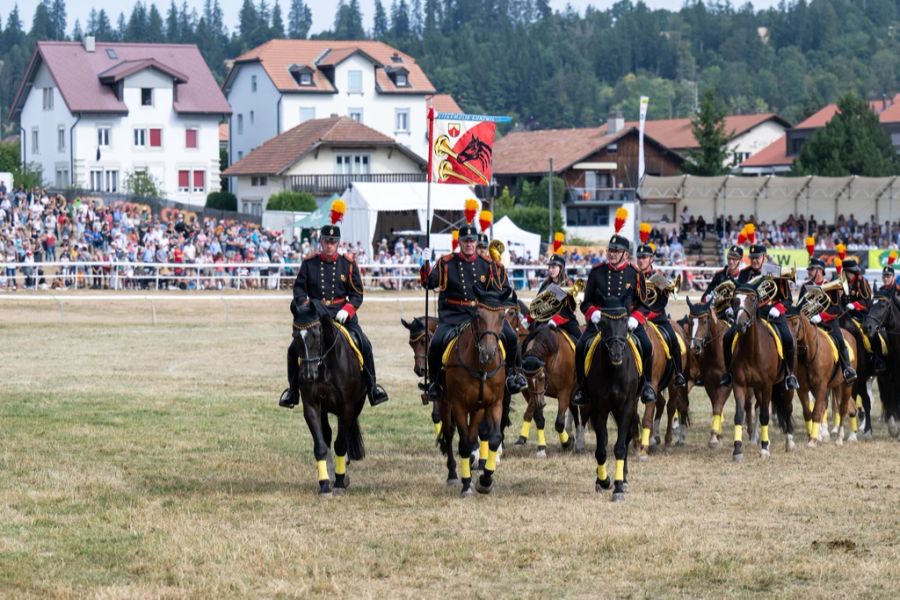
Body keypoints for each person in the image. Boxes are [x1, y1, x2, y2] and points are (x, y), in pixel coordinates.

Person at [279, 210, 389, 409]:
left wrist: (347, 309)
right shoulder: (309, 262)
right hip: (315, 316)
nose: (329, 245)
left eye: (333, 241)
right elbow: (299, 288)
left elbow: (357, 294)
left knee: (365, 344)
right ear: (320, 241)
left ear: (338, 243)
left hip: (342, 315)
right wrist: (305, 303)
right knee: (292, 350)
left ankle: (373, 388)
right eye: (326, 241)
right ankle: (293, 392)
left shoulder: (347, 264)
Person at [419, 224, 527, 401]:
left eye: (472, 241)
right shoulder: (446, 262)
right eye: (465, 241)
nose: (469, 244)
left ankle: (515, 374)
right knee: (436, 343)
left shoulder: (487, 264)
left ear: (476, 243)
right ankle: (435, 383)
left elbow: (501, 289)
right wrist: (424, 264)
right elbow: (428, 283)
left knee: (511, 337)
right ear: (459, 242)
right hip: (453, 315)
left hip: (481, 315)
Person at [572, 231, 656, 406]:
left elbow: (644, 305)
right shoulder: (597, 272)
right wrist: (593, 312)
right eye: (610, 250)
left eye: (616, 251)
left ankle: (646, 384)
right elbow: (585, 302)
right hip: (601, 323)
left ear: (625, 254)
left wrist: (635, 318)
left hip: (627, 323)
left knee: (647, 346)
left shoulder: (635, 273)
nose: (612, 254)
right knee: (580, 347)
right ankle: (582, 388)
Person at [719, 243, 799, 390]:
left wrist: (778, 308)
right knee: (727, 337)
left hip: (772, 313)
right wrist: (732, 308)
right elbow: (738, 296)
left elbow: (787, 299)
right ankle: (728, 373)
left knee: (788, 338)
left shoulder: (775, 272)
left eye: (757, 257)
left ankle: (789, 374)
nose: (754, 260)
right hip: (749, 314)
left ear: (764, 257)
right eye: (752, 258)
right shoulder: (744, 274)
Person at [634, 242, 686, 387]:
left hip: (657, 318)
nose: (641, 260)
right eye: (639, 257)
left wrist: (648, 314)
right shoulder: (633, 276)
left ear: (651, 259)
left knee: (673, 339)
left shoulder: (658, 278)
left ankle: (679, 373)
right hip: (636, 319)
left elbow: (663, 300)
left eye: (644, 257)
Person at [797, 258, 857, 383]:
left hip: (828, 323)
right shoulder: (806, 287)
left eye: (812, 269)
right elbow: (800, 307)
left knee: (840, 340)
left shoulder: (830, 286)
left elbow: (836, 309)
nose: (809, 272)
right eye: (809, 269)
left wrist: (821, 316)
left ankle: (847, 368)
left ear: (820, 271)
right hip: (810, 323)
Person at [841, 258, 885, 373]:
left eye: (846, 272)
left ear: (850, 272)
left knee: (870, 332)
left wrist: (855, 305)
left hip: (863, 313)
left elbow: (867, 301)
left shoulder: (862, 281)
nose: (844, 274)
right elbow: (842, 300)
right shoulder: (844, 283)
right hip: (848, 314)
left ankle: (878, 358)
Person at [528, 253, 582, 342]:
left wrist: (555, 320)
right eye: (549, 267)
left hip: (565, 320)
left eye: (553, 267)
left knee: (580, 341)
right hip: (544, 320)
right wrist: (529, 318)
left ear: (561, 268)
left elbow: (570, 310)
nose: (550, 270)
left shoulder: (568, 284)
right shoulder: (545, 284)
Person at [703, 244, 743, 317]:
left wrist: (734, 309)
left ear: (740, 260)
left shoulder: (743, 277)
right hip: (716, 312)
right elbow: (707, 293)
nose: (731, 261)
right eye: (729, 258)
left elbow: (745, 299)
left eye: (734, 259)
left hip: (735, 315)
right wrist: (707, 298)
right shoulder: (719, 275)